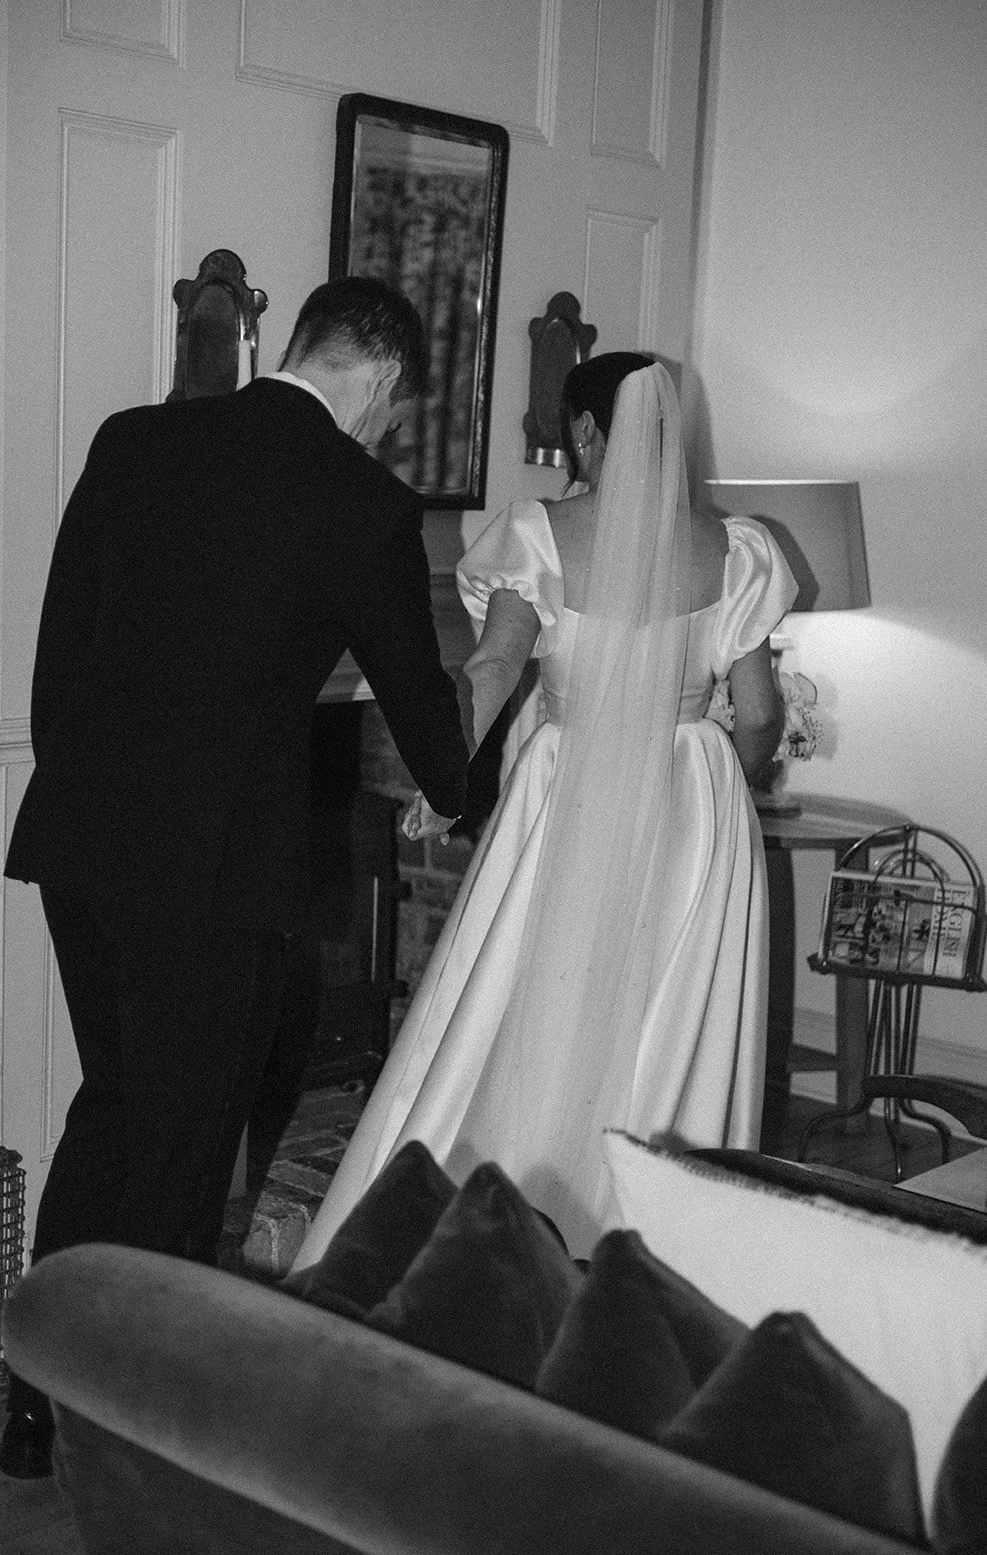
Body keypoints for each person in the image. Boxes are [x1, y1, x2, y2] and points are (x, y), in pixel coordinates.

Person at [0, 276, 470, 1476]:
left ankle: (27, 1393)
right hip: (208, 873)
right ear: (380, 378)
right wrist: (467, 787)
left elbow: (61, 652)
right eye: (393, 411)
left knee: (112, 1108)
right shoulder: (360, 499)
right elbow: (419, 697)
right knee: (182, 1146)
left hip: (79, 841)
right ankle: (132, 1437)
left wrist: (91, 793)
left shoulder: (135, 438)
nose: (385, 432)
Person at [290, 352, 798, 1275]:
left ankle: (494, 1219)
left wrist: (442, 787)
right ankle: (654, 1246)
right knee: (665, 1006)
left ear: (587, 431)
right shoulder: (740, 549)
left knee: (529, 993)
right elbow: (759, 715)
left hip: (562, 788)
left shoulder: (538, 533)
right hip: (692, 797)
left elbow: (489, 672)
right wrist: (732, 779)